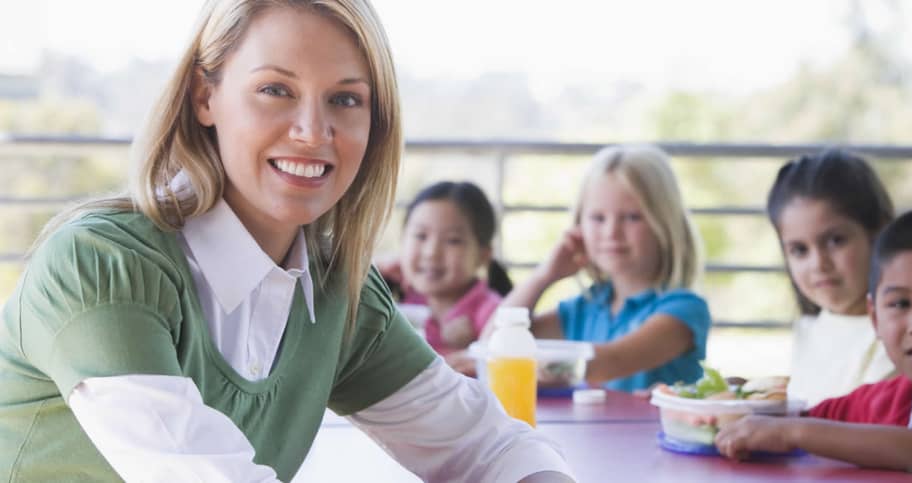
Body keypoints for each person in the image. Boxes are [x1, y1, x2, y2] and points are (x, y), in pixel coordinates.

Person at [0, 1, 574, 482]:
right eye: (276, 89)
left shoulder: (337, 293)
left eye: (345, 99)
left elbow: (487, 445)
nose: (312, 131)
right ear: (205, 97)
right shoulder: (100, 267)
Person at [715, 206, 912, 482]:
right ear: (875, 318)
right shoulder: (887, 398)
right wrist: (745, 403)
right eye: (901, 303)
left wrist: (792, 433)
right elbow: (801, 420)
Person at [493, 144, 711, 393]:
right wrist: (545, 276)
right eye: (598, 218)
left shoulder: (684, 310)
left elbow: (611, 361)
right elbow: (496, 340)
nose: (612, 233)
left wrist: (516, 362)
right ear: (579, 226)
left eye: (632, 217)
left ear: (665, 223)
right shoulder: (583, 309)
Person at [767, 148, 896, 405]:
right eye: (799, 250)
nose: (818, 264)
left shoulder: (898, 336)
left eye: (836, 241)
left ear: (878, 232)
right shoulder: (811, 327)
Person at [380, 181, 511, 357]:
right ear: (403, 241)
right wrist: (371, 273)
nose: (431, 253)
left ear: (482, 256)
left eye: (453, 240)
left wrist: (472, 349)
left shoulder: (491, 313)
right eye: (421, 236)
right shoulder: (391, 298)